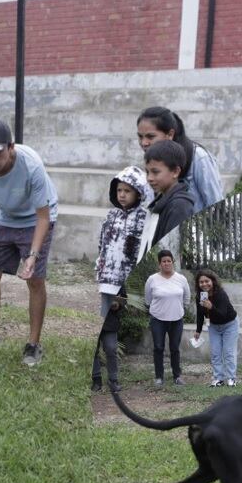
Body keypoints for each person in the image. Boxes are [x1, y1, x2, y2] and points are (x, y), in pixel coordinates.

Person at [0, 119, 58, 367]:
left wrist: (33, 255)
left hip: (35, 218)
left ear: (11, 147)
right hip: (5, 217)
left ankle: (33, 344)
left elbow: (43, 217)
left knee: (35, 279)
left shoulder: (31, 166)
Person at [92, 165, 151, 395]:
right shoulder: (111, 216)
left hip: (119, 286)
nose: (123, 195)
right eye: (119, 190)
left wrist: (122, 292)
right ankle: (95, 378)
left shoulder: (143, 219)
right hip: (103, 282)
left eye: (128, 190)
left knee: (110, 342)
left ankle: (114, 380)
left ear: (138, 193)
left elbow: (139, 253)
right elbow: (102, 247)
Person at [136, 107, 223, 214]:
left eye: (151, 136)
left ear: (170, 134)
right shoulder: (152, 158)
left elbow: (216, 205)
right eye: (140, 137)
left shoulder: (198, 158)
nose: (144, 143)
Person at [138, 140, 195, 257]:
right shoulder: (160, 201)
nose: (149, 178)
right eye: (147, 172)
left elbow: (171, 250)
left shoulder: (179, 206)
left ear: (175, 171)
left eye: (155, 172)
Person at [145, 250, 190, 387]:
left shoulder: (181, 279)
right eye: (163, 261)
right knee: (158, 347)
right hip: (157, 319)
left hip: (177, 319)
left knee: (175, 348)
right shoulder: (152, 279)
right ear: (159, 264)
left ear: (172, 262)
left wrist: (181, 309)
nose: (166, 263)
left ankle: (177, 376)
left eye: (169, 261)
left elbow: (186, 297)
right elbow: (148, 299)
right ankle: (159, 377)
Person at [193, 268, 239, 387]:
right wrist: (198, 330)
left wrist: (211, 306)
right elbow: (200, 314)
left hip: (230, 324)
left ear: (213, 281)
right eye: (201, 282)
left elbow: (223, 314)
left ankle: (231, 378)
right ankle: (218, 378)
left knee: (228, 352)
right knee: (216, 353)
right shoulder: (199, 296)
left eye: (207, 281)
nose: (204, 284)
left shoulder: (221, 294)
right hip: (213, 326)